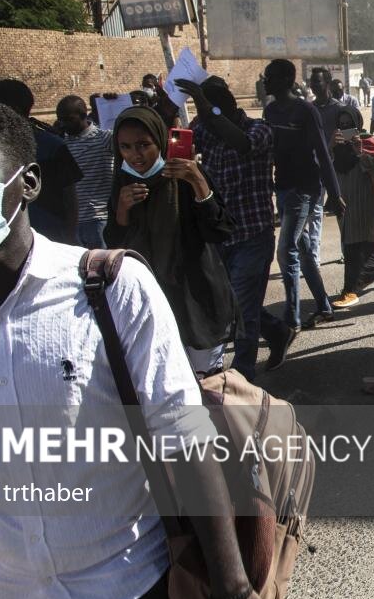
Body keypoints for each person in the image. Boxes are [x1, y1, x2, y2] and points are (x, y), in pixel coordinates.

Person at [0, 94, 273, 599]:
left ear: (27, 183)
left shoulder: (112, 284)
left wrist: (230, 587)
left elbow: (184, 441)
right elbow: (119, 239)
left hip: (130, 593)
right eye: (128, 146)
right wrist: (120, 214)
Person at [103, 106, 238, 375]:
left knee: (207, 387)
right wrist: (122, 210)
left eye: (144, 145)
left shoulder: (185, 175)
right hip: (150, 300)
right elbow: (115, 244)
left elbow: (220, 230)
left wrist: (198, 181)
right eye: (126, 147)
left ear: (161, 141)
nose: (135, 155)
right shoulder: (124, 181)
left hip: (195, 297)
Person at [183, 75, 296, 377]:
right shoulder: (204, 129)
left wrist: (208, 111)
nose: (206, 115)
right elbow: (179, 143)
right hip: (220, 235)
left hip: (253, 234)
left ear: (231, 105)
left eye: (213, 108)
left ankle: (243, 376)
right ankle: (277, 332)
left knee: (243, 309)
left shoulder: (259, 130)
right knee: (230, 304)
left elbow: (242, 144)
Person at [262, 59, 346, 331]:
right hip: (284, 188)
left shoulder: (305, 111)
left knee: (286, 250)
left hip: (305, 190)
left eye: (270, 77)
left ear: (286, 80)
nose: (265, 81)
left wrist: (335, 194)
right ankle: (323, 307)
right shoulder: (271, 111)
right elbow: (270, 152)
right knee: (305, 250)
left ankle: (292, 318)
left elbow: (322, 152)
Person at [0, 79, 83, 245]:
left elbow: (70, 196)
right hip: (7, 238)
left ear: (12, 109)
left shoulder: (53, 146)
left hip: (51, 236)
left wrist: (69, 235)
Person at [329, 107, 374, 309]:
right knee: (357, 242)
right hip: (345, 198)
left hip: (365, 198)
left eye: (348, 124)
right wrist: (332, 146)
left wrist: (359, 152)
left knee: (355, 244)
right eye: (341, 124)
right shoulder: (337, 145)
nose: (344, 128)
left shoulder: (368, 141)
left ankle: (350, 290)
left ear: (357, 123)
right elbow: (328, 166)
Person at [56, 95, 116, 250]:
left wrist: (113, 104)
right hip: (73, 223)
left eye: (68, 119)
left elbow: (129, 136)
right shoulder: (62, 145)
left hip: (99, 219)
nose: (63, 124)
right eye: (60, 119)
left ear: (83, 115)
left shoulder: (104, 139)